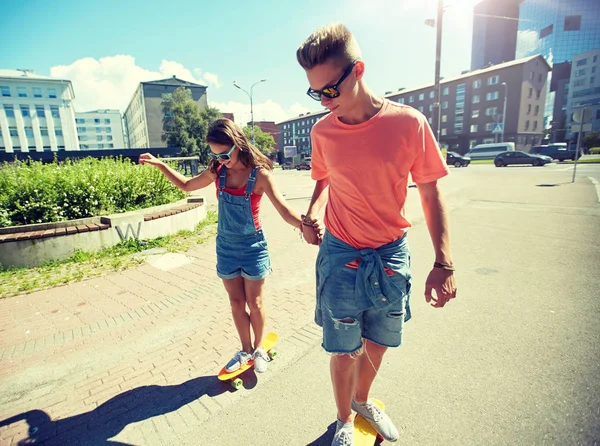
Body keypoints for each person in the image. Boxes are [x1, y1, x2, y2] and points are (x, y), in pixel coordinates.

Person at [296, 24, 458, 445]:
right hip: (341, 254)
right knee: (343, 347)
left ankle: (362, 400)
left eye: (330, 90)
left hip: (390, 255)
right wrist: (312, 212)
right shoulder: (322, 133)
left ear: (359, 70)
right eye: (316, 94)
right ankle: (343, 422)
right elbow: (323, 178)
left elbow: (430, 190)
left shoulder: (408, 124)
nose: (325, 102)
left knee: (379, 341)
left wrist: (444, 262)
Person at [139, 118, 305, 374]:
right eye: (216, 155)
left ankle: (260, 348)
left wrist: (306, 225)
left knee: (255, 301)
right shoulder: (218, 171)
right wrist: (161, 165)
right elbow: (186, 185)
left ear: (238, 144)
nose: (221, 160)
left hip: (253, 247)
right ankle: (245, 349)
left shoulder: (260, 175)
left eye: (225, 154)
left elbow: (284, 211)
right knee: (236, 303)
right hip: (226, 247)